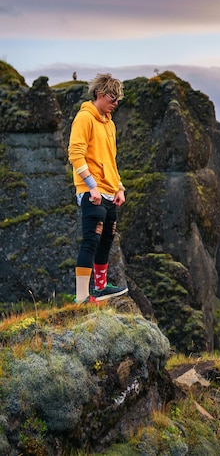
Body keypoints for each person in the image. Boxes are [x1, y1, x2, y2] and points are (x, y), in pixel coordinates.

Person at [68, 73, 128, 304]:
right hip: (91, 191)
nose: (115, 103)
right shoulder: (85, 118)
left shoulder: (109, 124)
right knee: (91, 240)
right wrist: (91, 186)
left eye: (118, 100)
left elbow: (111, 159)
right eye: (113, 98)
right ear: (100, 94)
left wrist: (119, 187)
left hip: (110, 191)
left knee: (106, 240)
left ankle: (101, 288)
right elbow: (75, 153)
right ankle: (82, 296)